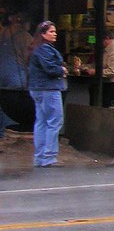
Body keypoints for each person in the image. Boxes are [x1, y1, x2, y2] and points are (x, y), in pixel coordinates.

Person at [27, 21, 67, 167]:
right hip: (48, 89)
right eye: (51, 31)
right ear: (43, 34)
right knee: (54, 122)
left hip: (38, 89)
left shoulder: (38, 48)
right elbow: (50, 69)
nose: (55, 34)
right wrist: (62, 70)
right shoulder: (45, 49)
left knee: (42, 122)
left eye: (55, 31)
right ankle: (49, 157)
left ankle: (39, 157)